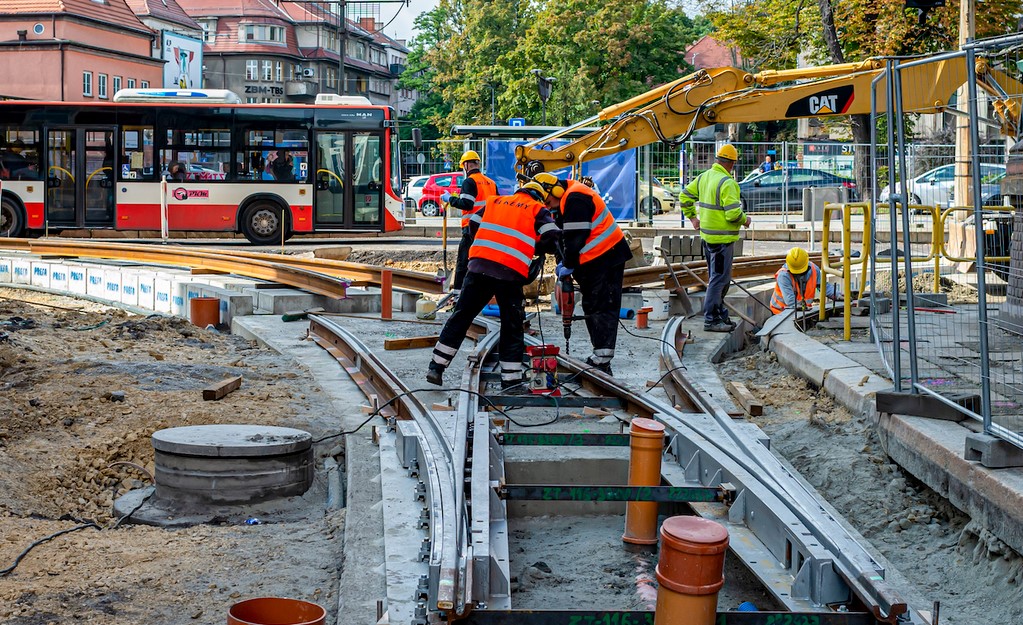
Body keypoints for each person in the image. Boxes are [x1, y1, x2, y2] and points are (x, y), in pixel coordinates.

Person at [427, 182, 561, 388]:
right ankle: (511, 378)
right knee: (512, 323)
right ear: (539, 197)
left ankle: (436, 366)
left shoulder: (494, 201)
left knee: (461, 316)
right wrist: (535, 248)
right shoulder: (537, 208)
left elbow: (472, 225)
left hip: (479, 267)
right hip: (510, 272)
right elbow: (553, 237)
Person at [534, 171, 631, 375]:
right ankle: (599, 356)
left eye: (549, 201)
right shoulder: (563, 201)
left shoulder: (576, 198)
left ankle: (602, 359)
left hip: (606, 257)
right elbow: (561, 238)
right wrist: (562, 262)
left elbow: (575, 238)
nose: (548, 206)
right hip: (594, 260)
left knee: (602, 306)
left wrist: (568, 263)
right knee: (592, 305)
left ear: (556, 191)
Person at [679, 144, 751, 333]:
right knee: (719, 280)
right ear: (732, 163)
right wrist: (745, 220)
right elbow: (733, 214)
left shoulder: (704, 177)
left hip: (708, 239)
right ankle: (711, 319)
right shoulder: (727, 183)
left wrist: (693, 218)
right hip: (722, 242)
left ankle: (719, 313)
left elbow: (684, 196)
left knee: (719, 279)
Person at [442, 150, 499, 294]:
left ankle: (458, 295)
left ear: (466, 165)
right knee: (484, 263)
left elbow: (467, 204)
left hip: (471, 229)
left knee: (463, 262)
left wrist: (450, 199)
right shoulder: (491, 183)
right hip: (488, 229)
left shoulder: (469, 181)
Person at [769, 247, 842, 314]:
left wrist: (837, 295)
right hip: (780, 312)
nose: (799, 274)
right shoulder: (783, 275)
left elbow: (824, 286)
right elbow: (790, 301)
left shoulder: (814, 269)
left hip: (802, 311)